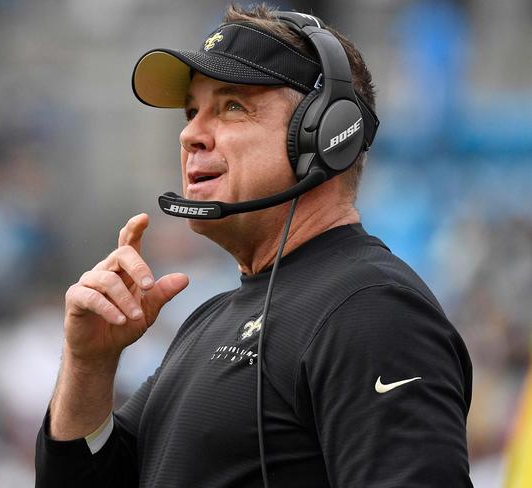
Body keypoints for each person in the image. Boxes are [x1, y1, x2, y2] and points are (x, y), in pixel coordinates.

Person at [35, 5, 473, 487]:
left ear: (324, 135)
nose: (189, 134)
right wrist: (89, 367)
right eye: (190, 112)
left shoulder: (372, 311)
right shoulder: (212, 318)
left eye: (232, 107)